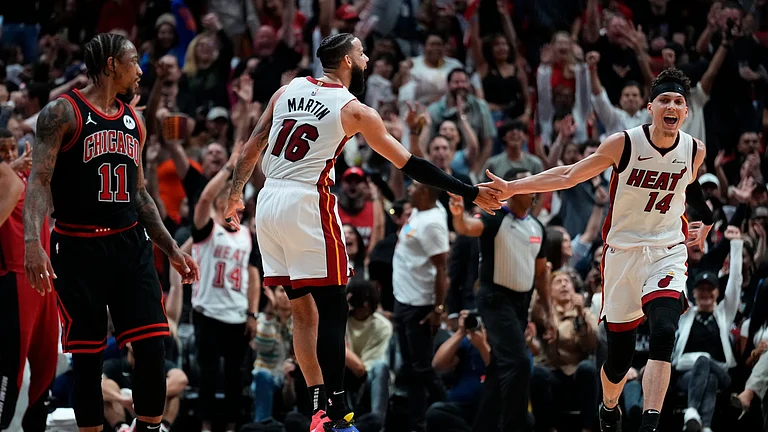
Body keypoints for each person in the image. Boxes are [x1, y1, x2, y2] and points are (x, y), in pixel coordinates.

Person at [224, 33, 501, 432]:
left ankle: (318, 407)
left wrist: (235, 196)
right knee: (335, 306)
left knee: (303, 312)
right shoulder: (354, 110)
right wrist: (470, 191)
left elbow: (252, 146)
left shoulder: (287, 90)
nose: (368, 58)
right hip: (306, 202)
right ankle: (336, 411)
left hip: (267, 202)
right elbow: (411, 165)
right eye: (362, 52)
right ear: (348, 61)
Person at [483, 68, 714, 432]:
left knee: (664, 330)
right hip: (622, 253)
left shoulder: (693, 149)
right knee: (618, 359)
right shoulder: (624, 143)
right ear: (651, 108)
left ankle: (650, 424)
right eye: (665, 100)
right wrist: (513, 188)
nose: (672, 106)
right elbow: (567, 175)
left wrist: (707, 224)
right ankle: (609, 407)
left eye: (679, 102)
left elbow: (694, 191)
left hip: (667, 248)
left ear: (685, 113)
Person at [22, 33, 200, 432]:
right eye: (133, 62)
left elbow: (139, 194)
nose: (140, 71)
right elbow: (39, 181)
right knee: (88, 359)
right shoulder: (62, 113)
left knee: (153, 344)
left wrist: (170, 248)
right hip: (77, 247)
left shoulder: (133, 118)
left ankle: (148, 428)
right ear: (110, 66)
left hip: (128, 245)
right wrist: (33, 242)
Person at [191, 142, 261, 432]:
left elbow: (254, 274)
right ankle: (206, 426)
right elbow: (205, 198)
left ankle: (232, 426)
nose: (241, 205)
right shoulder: (208, 228)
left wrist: (253, 313)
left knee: (235, 375)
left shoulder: (247, 234)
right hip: (207, 311)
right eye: (235, 199)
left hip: (236, 314)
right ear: (223, 203)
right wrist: (229, 168)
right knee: (208, 374)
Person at [0, 136, 59, 432]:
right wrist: (9, 166)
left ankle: (35, 426)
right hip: (15, 277)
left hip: (45, 278)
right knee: (12, 369)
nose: (12, 154)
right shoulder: (6, 178)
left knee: (47, 364)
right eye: (3, 150)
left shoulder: (28, 176)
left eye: (13, 148)